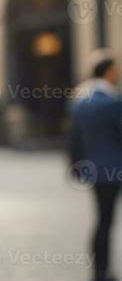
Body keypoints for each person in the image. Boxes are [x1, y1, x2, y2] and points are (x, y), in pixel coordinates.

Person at [69, 58, 121, 281]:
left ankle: (99, 269)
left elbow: (74, 139)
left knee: (102, 219)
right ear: (108, 72)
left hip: (94, 171)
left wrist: (76, 167)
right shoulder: (113, 102)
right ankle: (102, 270)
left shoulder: (82, 101)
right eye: (116, 70)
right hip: (114, 169)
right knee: (106, 220)